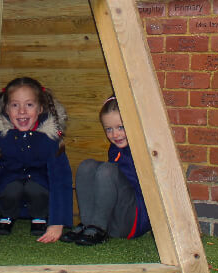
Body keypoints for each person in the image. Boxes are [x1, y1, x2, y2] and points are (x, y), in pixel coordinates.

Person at [0, 77, 73, 243]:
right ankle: (7, 216)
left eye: (29, 105)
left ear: (40, 108)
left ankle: (40, 217)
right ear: (6, 108)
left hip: (41, 193)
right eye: (15, 105)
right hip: (8, 194)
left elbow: (61, 180)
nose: (22, 111)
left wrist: (57, 222)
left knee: (35, 186)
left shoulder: (50, 138)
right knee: (12, 186)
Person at [61, 96, 151, 246]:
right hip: (113, 219)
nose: (115, 135)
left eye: (120, 127)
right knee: (86, 165)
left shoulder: (142, 149)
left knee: (107, 170)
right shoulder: (115, 149)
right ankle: (87, 224)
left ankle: (98, 228)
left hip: (133, 219)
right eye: (109, 129)